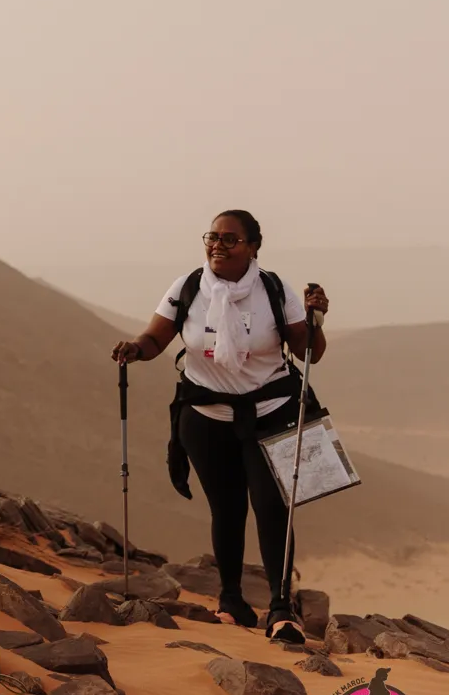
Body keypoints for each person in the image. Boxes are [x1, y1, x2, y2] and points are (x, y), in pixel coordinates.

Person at [111, 210, 329, 640]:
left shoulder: (274, 290)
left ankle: (281, 611)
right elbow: (156, 338)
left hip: (271, 411)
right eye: (212, 237)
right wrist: (135, 349)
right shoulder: (188, 287)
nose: (218, 245)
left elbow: (309, 351)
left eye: (230, 239)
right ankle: (231, 603)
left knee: (271, 507)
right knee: (226, 509)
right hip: (206, 415)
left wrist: (316, 319)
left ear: (253, 247)